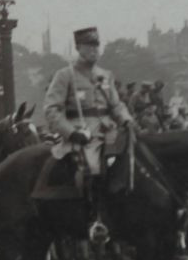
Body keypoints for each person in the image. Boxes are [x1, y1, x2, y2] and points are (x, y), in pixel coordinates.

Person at [41, 27, 136, 181]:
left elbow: (116, 105)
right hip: (83, 133)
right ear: (78, 48)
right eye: (89, 46)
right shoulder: (65, 76)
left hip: (109, 130)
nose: (94, 50)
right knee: (93, 168)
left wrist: (126, 119)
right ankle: (92, 204)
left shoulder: (105, 75)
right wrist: (71, 132)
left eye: (96, 45)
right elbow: (51, 110)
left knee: (134, 156)